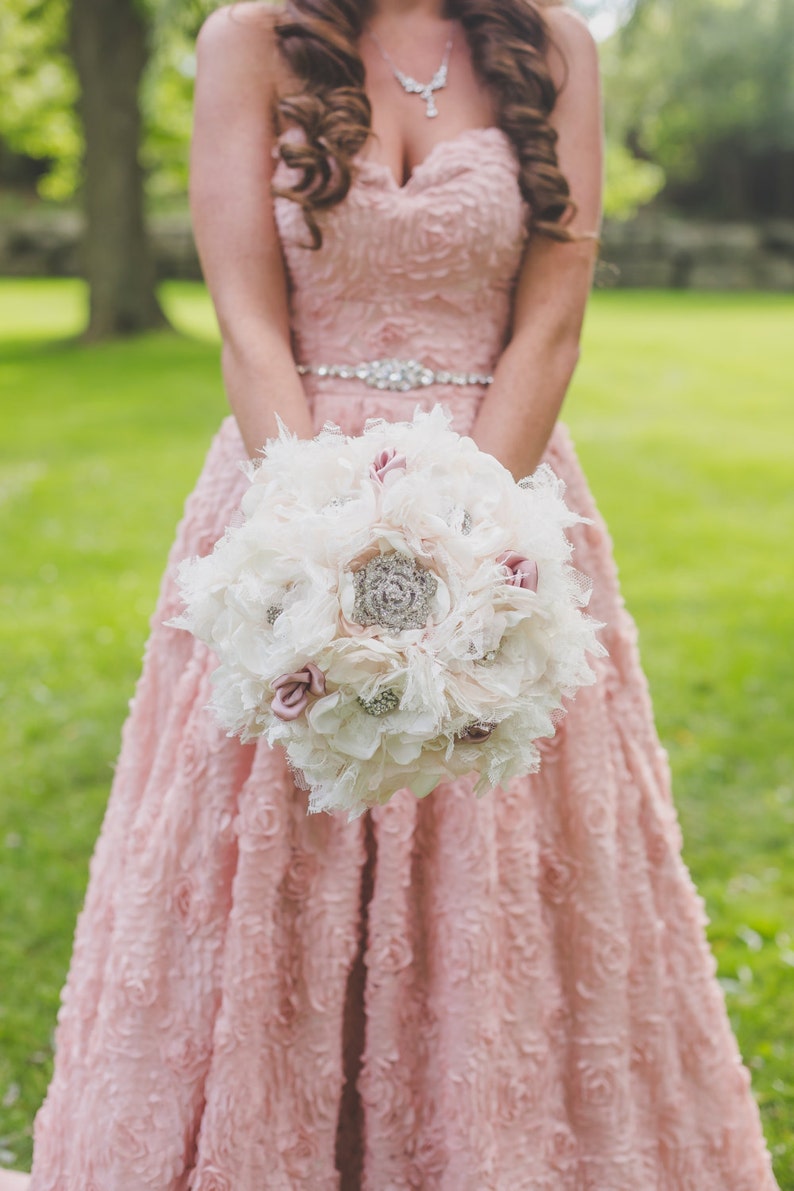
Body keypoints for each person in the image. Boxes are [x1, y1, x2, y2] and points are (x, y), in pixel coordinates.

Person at [22, 0, 779, 1187]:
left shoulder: (555, 48)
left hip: (503, 493)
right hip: (285, 496)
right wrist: (314, 528)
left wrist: (467, 540)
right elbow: (245, 315)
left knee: (499, 851)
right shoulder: (249, 40)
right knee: (277, 841)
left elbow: (552, 320)